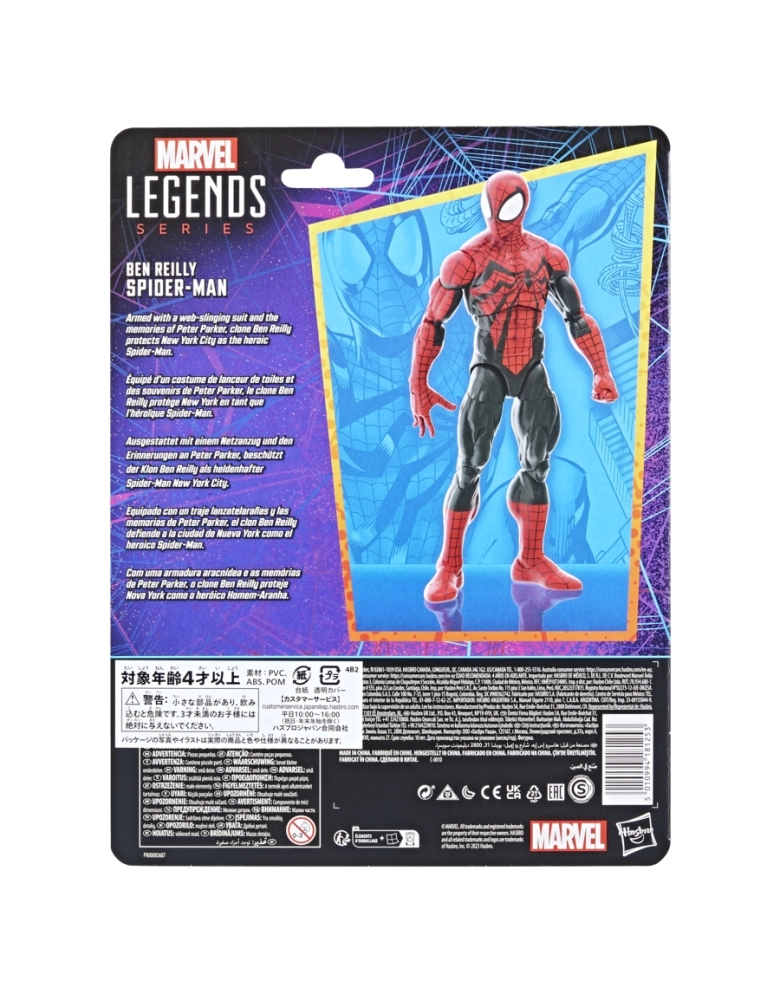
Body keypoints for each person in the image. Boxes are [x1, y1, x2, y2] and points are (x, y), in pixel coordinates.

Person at [409, 171, 618, 603]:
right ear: (486, 206)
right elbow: (432, 322)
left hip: (531, 369)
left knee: (537, 464)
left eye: (511, 204)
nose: (503, 214)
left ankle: (530, 559)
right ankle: (449, 566)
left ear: (524, 204)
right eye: (498, 205)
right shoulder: (466, 260)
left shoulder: (547, 257)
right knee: (470, 467)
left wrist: (601, 371)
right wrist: (417, 384)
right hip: (489, 368)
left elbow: (576, 317)